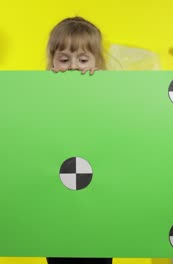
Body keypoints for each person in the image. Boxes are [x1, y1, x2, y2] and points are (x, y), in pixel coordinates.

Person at [45, 16, 112, 264]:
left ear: (97, 62)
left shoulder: (109, 100)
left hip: (98, 206)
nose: (73, 66)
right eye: (64, 59)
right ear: (52, 62)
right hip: (56, 206)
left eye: (83, 59)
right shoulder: (41, 99)